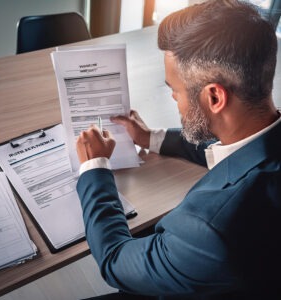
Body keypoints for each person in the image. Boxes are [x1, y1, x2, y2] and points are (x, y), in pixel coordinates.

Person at [76, 0, 281, 299]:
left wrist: (94, 167)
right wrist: (152, 138)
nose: (173, 98)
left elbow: (115, 260)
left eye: (174, 90)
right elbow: (233, 148)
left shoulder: (209, 230)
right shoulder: (261, 130)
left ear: (214, 97)